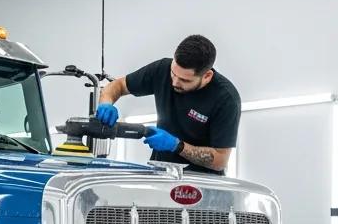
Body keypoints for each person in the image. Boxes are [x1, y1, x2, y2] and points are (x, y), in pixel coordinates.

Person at [95, 34, 241, 175]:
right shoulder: (162, 69)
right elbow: (118, 85)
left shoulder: (226, 99)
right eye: (173, 74)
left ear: (207, 76)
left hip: (201, 181)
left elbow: (220, 160)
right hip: (161, 172)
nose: (175, 82)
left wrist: (177, 145)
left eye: (185, 80)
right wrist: (106, 103)